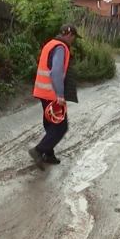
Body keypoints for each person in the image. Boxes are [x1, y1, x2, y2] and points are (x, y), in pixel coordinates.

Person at [28, 24, 81, 170]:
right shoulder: (60, 48)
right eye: (74, 37)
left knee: (50, 123)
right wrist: (60, 95)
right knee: (60, 127)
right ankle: (39, 151)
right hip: (51, 93)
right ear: (69, 35)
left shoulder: (50, 44)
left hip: (42, 91)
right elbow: (55, 72)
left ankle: (48, 154)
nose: (74, 40)